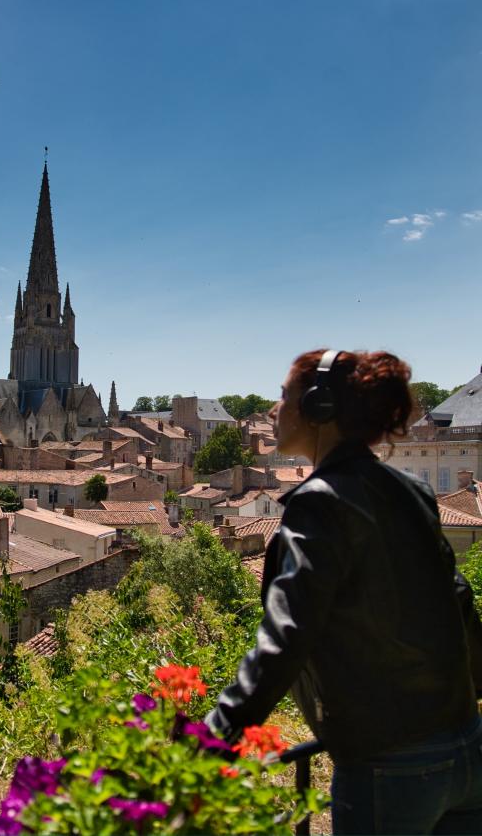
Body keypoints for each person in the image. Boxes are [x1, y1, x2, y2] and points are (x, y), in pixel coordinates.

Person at [205, 349, 482, 835]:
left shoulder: (319, 503)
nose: (273, 410)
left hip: (389, 763)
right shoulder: (409, 488)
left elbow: (286, 638)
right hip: (464, 747)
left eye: (284, 395)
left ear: (318, 409)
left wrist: (214, 739)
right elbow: (456, 597)